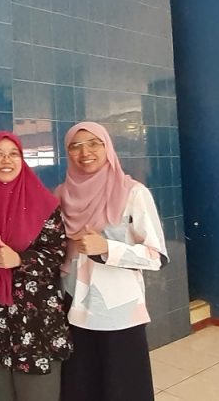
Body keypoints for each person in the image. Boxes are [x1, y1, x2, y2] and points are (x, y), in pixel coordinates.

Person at [55, 122, 168, 401]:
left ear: (108, 147)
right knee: (82, 386)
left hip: (119, 310)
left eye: (94, 143)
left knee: (123, 387)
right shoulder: (61, 196)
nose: (85, 152)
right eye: (76, 146)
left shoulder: (133, 193)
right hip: (73, 305)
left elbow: (156, 256)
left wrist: (107, 248)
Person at [0, 131, 72, 400]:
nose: (7, 160)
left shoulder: (44, 204)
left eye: (13, 154)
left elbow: (57, 252)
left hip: (36, 324)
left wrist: (20, 260)